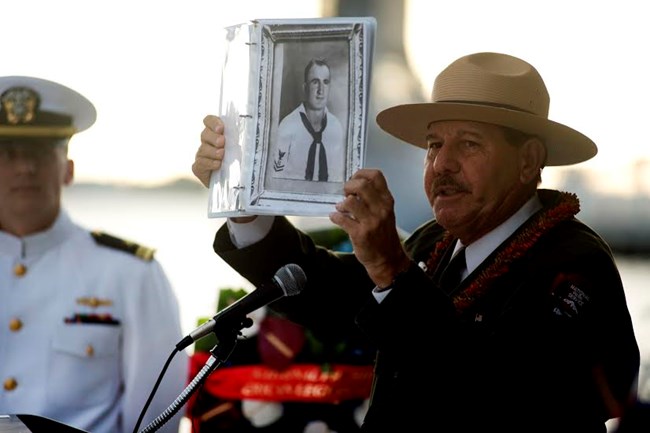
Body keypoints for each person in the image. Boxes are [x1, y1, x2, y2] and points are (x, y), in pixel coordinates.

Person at [192, 52, 641, 432]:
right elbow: (329, 297)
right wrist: (244, 204)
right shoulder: (437, 242)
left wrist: (392, 269)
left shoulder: (575, 264)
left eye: (468, 145)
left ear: (528, 161)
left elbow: (500, 395)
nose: (442, 164)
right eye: (432, 145)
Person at [0, 76, 187, 433]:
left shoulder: (131, 273)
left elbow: (155, 423)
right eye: (8, 153)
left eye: (40, 152)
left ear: (68, 169)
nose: (25, 167)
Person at [272, 58, 345, 183]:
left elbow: (339, 178)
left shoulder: (337, 127)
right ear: (305, 87)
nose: (321, 90)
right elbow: (276, 177)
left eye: (325, 82)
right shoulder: (287, 126)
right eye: (315, 82)